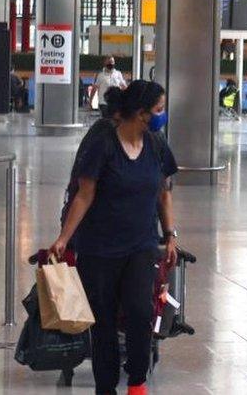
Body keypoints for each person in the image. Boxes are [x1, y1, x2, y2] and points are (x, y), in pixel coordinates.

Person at [48, 80, 179, 395]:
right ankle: (105, 387)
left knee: (139, 311)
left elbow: (163, 194)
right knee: (103, 320)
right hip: (99, 247)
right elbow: (84, 195)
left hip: (141, 244)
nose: (162, 116)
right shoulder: (103, 144)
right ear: (141, 113)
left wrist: (170, 234)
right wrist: (64, 237)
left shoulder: (157, 145)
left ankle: (137, 380)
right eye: (159, 110)